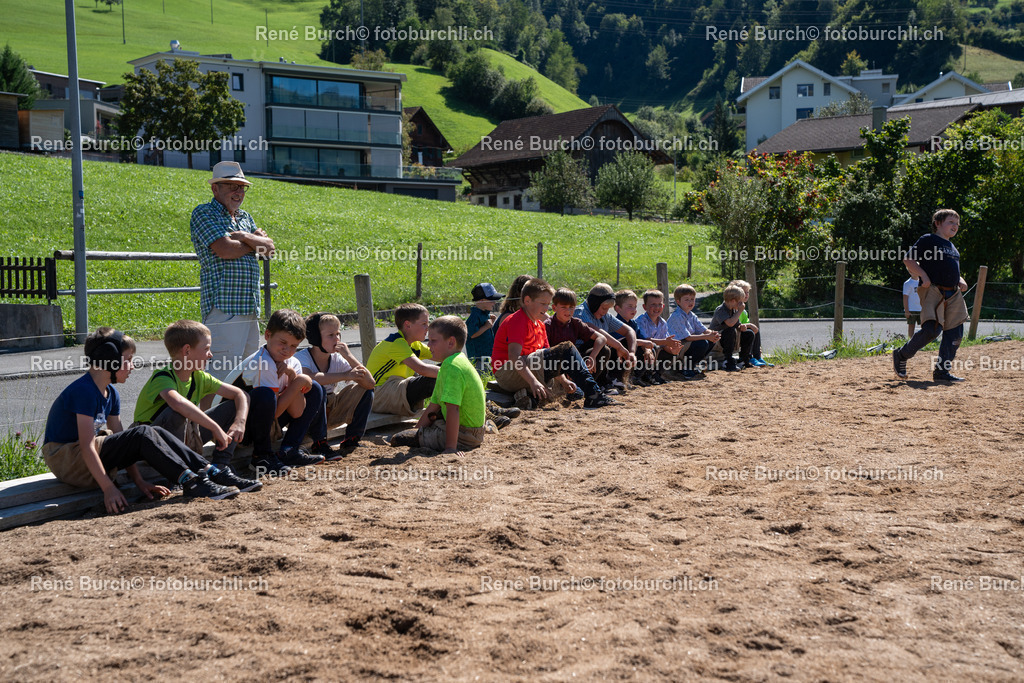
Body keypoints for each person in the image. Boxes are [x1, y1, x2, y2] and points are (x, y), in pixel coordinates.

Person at [42, 327, 242, 513]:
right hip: (66, 459)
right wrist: (108, 489)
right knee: (143, 432)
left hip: (82, 456)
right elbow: (86, 446)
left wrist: (140, 482)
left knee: (152, 432)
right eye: (128, 359)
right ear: (110, 359)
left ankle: (210, 472)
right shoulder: (84, 391)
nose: (132, 366)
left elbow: (124, 442)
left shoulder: (110, 393)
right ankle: (192, 482)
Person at [132, 320, 260, 492]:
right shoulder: (163, 376)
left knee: (232, 406)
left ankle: (220, 467)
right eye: (206, 349)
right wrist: (214, 427)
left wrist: (240, 422)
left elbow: (240, 394)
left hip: (187, 439)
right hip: (154, 446)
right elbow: (177, 404)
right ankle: (179, 475)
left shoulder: (199, 377)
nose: (210, 355)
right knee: (177, 412)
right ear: (187, 350)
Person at [190, 161, 275, 384]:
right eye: (231, 186)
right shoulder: (204, 213)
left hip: (249, 309)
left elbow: (269, 249)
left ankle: (239, 419)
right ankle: (209, 420)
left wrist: (245, 237)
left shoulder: (244, 218)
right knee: (218, 378)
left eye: (242, 187)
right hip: (224, 309)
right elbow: (225, 249)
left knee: (246, 377)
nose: (238, 192)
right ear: (215, 188)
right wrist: (255, 241)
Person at [492, 278, 617, 409]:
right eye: (543, 303)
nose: (546, 309)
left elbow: (549, 360)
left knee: (576, 393)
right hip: (507, 372)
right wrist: (533, 381)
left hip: (528, 368)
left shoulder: (540, 325)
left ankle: (528, 398)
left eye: (548, 304)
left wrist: (564, 381)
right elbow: (514, 357)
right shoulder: (517, 320)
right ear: (527, 301)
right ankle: (594, 396)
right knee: (566, 348)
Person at [237, 309, 326, 476]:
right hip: (238, 427)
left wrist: (293, 377)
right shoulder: (263, 361)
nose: (287, 350)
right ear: (267, 335)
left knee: (314, 389)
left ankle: (289, 450)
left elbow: (297, 411)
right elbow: (271, 411)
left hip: (265, 421)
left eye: (293, 346)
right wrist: (298, 382)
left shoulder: (292, 362)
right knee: (267, 395)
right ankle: (260, 456)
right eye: (282, 342)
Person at [388, 317, 493, 455]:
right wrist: (416, 429)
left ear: (451, 342)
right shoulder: (455, 361)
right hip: (473, 432)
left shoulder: (452, 366)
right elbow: (434, 404)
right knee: (416, 430)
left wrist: (450, 448)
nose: (428, 345)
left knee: (399, 439)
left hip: (464, 436)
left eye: (433, 341)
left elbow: (453, 409)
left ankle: (448, 442)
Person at [893, 209, 970, 382]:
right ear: (938, 223)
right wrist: (923, 276)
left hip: (953, 293)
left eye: (957, 224)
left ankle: (942, 373)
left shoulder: (953, 248)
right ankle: (901, 355)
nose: (955, 226)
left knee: (955, 332)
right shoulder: (929, 239)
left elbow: (951, 268)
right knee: (932, 330)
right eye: (951, 222)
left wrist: (960, 279)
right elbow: (908, 259)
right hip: (933, 290)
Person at [296, 313, 375, 459]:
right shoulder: (301, 357)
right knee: (317, 389)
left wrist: (349, 356)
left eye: (338, 333)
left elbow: (370, 383)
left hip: (331, 409)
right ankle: (320, 444)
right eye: (331, 335)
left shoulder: (338, 358)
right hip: (306, 415)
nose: (337, 339)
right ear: (315, 337)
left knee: (365, 389)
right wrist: (346, 375)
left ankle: (351, 440)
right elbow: (311, 378)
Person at [366, 303, 437, 416]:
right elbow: (422, 369)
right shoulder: (396, 343)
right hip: (378, 394)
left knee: (447, 366)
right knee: (434, 379)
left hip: (396, 390)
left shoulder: (415, 345)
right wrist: (453, 371)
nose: (427, 328)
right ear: (408, 325)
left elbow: (441, 354)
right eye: (424, 324)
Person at [573, 283, 637, 392]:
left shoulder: (605, 315)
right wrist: (619, 347)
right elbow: (597, 332)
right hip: (581, 357)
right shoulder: (580, 312)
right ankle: (596, 384)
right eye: (603, 308)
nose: (605, 312)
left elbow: (629, 331)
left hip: (598, 356)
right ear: (594, 304)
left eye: (608, 309)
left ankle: (615, 380)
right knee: (603, 348)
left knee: (625, 342)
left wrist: (631, 352)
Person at [613, 289, 678, 386]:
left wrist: (648, 348)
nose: (634, 310)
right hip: (618, 355)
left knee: (653, 348)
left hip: (632, 354)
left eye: (635, 307)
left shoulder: (633, 323)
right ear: (617, 309)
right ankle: (633, 377)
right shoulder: (615, 323)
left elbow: (642, 339)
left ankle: (650, 375)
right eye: (630, 307)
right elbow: (624, 341)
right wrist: (647, 345)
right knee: (650, 346)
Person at [545, 287, 607, 376]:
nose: (568, 311)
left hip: (573, 361)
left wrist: (592, 357)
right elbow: (545, 353)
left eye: (571, 307)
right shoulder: (548, 325)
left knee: (604, 350)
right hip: (555, 364)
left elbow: (601, 338)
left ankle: (589, 384)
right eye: (564, 307)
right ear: (554, 308)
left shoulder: (575, 323)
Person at [665, 284, 721, 379]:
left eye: (692, 299)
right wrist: (707, 336)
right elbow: (687, 337)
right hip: (676, 347)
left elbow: (703, 329)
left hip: (687, 344)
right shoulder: (677, 316)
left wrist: (712, 334)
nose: (690, 302)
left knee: (710, 341)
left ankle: (692, 365)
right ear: (678, 301)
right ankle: (685, 367)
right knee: (702, 342)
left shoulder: (691, 315)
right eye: (686, 299)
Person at [634, 289, 683, 383]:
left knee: (670, 353)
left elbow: (665, 343)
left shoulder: (662, 323)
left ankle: (656, 375)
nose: (657, 307)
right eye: (653, 304)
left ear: (663, 306)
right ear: (644, 307)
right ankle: (640, 376)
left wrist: (673, 350)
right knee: (652, 348)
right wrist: (665, 342)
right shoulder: (641, 321)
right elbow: (645, 340)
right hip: (642, 350)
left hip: (655, 351)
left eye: (659, 304)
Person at [709, 285, 756, 372]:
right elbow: (730, 324)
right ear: (733, 301)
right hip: (716, 341)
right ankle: (728, 360)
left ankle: (744, 359)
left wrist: (741, 327)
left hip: (729, 338)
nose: (742, 304)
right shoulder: (721, 310)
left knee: (749, 333)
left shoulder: (733, 310)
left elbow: (736, 324)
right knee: (730, 331)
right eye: (740, 302)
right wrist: (740, 311)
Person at [729, 280, 772, 367]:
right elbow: (735, 324)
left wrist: (750, 326)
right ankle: (749, 357)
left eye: (747, 292)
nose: (746, 294)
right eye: (743, 292)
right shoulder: (732, 309)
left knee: (754, 330)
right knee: (750, 331)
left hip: (741, 333)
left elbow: (745, 324)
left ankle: (757, 357)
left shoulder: (743, 311)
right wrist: (750, 325)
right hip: (733, 336)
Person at [466, 282, 504, 369]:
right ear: (482, 300)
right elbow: (472, 334)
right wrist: (486, 327)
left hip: (487, 355)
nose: (494, 303)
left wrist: (490, 322)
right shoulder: (474, 316)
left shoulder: (484, 313)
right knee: (482, 375)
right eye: (491, 300)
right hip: (478, 357)